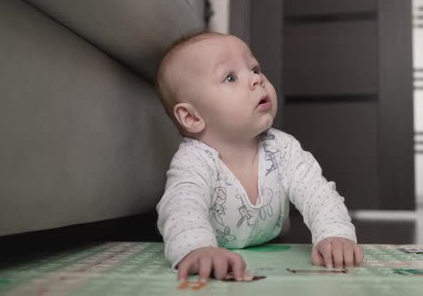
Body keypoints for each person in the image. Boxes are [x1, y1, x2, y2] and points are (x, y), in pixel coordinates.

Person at [155, 31, 363, 283]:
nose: (256, 79)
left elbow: (318, 195)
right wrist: (197, 249)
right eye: (230, 77)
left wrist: (335, 234)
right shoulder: (194, 160)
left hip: (273, 239)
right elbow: (181, 207)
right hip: (210, 243)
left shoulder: (283, 148)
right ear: (192, 117)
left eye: (254, 68)